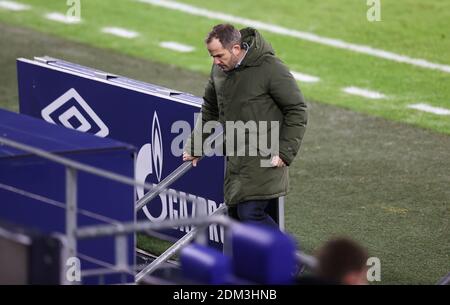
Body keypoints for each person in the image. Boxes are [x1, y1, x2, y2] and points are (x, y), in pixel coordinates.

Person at [183, 24, 307, 228]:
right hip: (236, 158)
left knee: (250, 214)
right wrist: (196, 146)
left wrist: (285, 152)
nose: (215, 61)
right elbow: (210, 109)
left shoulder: (271, 68)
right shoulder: (219, 70)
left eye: (219, 55)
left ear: (236, 49)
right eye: (212, 56)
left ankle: (287, 258)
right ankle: (263, 259)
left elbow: (297, 109)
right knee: (236, 217)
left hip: (265, 158)